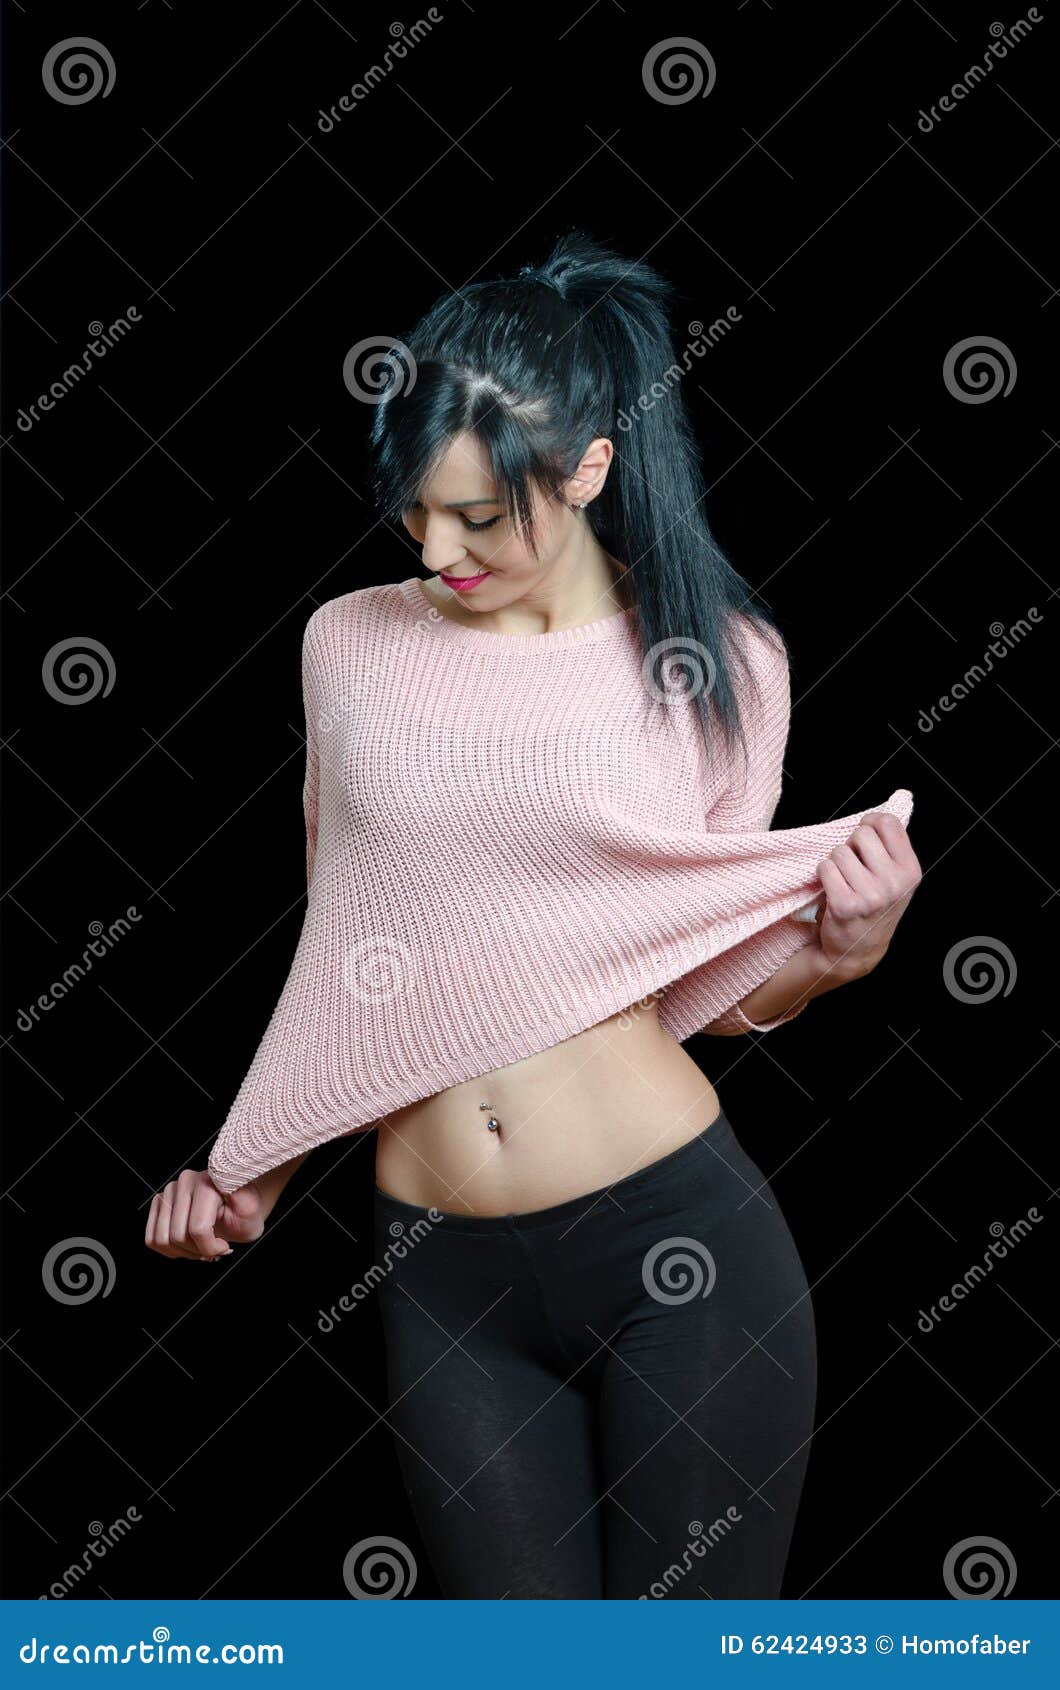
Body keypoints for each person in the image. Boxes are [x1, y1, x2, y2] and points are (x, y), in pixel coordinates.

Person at [145, 232, 921, 1599]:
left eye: (481, 518)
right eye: (415, 511)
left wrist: (842, 954)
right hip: (443, 1273)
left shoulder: (721, 664)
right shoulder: (348, 645)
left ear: (589, 470)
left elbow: (719, 981)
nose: (437, 550)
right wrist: (253, 1165)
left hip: (679, 1246)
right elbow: (358, 949)